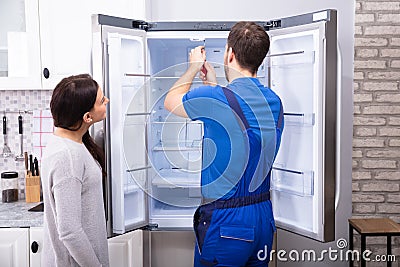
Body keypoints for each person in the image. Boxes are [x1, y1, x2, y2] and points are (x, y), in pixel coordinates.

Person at [164, 21, 284, 266]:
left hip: (226, 222)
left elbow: (171, 101)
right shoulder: (274, 101)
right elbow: (237, 129)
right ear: (260, 59)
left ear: (230, 54)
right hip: (262, 217)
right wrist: (213, 85)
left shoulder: (216, 99)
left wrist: (192, 68)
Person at [41, 74, 110, 267]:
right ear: (87, 117)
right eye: (101, 100)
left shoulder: (68, 143)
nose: (107, 101)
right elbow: (69, 231)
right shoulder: (67, 157)